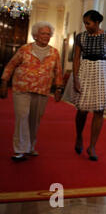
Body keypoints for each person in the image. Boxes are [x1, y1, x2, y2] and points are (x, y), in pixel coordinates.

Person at [0, 21, 63, 161]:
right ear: (35, 35)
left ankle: (30, 147)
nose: (46, 36)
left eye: (48, 34)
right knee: (22, 116)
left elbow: (58, 71)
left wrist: (59, 87)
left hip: (42, 89)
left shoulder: (54, 52)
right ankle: (19, 149)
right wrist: (4, 82)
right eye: (43, 33)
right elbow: (10, 66)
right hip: (22, 88)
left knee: (34, 120)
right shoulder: (25, 49)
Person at [71, 10, 106, 161]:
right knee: (82, 109)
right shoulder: (80, 37)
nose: (86, 26)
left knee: (99, 110)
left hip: (102, 72)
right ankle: (79, 137)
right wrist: (75, 78)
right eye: (84, 23)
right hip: (85, 71)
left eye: (88, 23)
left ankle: (92, 146)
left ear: (97, 23)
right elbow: (76, 59)